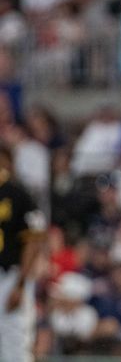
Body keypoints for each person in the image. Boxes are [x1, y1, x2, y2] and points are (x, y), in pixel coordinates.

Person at [0, 146, 47, 362]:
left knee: (15, 343)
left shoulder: (18, 194)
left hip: (10, 276)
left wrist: (20, 284)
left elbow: (34, 240)